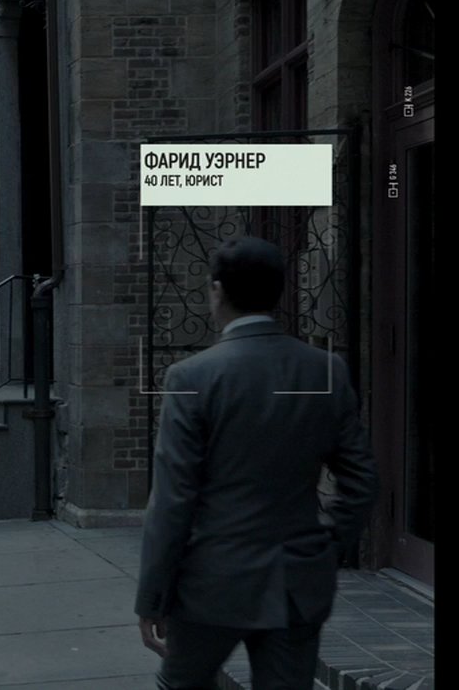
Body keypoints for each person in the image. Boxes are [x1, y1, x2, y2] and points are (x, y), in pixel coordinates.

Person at [135, 237, 378, 689]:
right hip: (296, 581)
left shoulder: (192, 376)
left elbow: (172, 499)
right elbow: (361, 480)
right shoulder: (324, 370)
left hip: (210, 581)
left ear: (217, 291)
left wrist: (153, 596)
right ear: (279, 292)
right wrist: (326, 546)